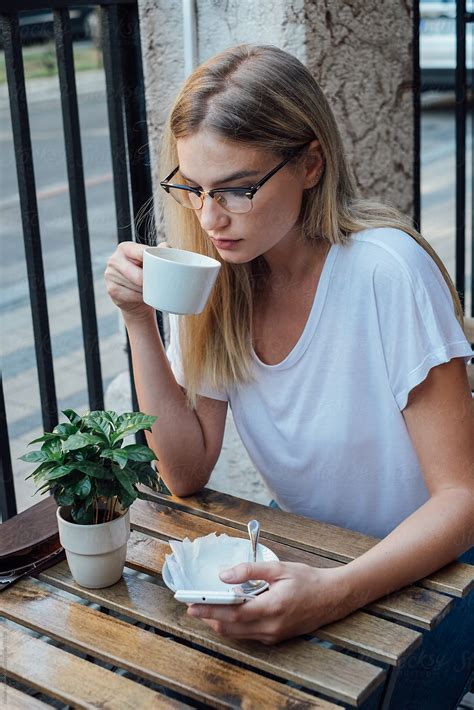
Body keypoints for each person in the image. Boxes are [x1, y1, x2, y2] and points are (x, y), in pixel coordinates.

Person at [105, 44, 474, 707]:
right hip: (309, 550)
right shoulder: (221, 283)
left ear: (310, 163)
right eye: (194, 189)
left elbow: (462, 499)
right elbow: (186, 469)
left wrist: (334, 592)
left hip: (438, 571)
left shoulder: (384, 271)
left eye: (238, 189)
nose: (211, 219)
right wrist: (139, 321)